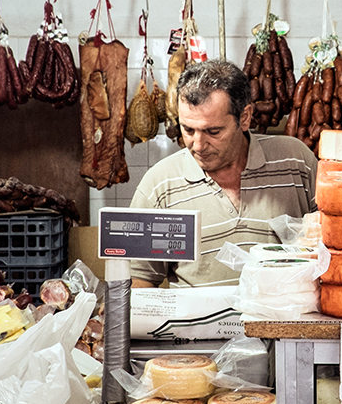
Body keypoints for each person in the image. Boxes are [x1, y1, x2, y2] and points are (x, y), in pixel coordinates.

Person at [129, 59, 318, 288]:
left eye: (213, 131)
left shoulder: (296, 161)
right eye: (188, 129)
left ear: (245, 118)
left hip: (283, 319)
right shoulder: (159, 185)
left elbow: (334, 243)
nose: (197, 145)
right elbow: (141, 280)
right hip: (195, 324)